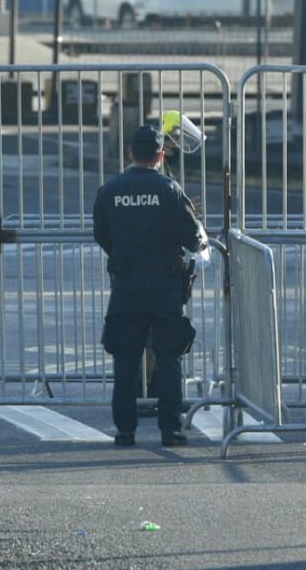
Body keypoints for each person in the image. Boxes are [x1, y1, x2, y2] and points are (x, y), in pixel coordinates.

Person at [94, 125, 207, 447]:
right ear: (160, 155)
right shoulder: (169, 189)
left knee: (125, 359)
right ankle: (170, 430)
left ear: (131, 153)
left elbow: (102, 234)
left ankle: (124, 431)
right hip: (165, 285)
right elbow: (192, 237)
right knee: (169, 357)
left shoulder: (110, 190)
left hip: (126, 285)